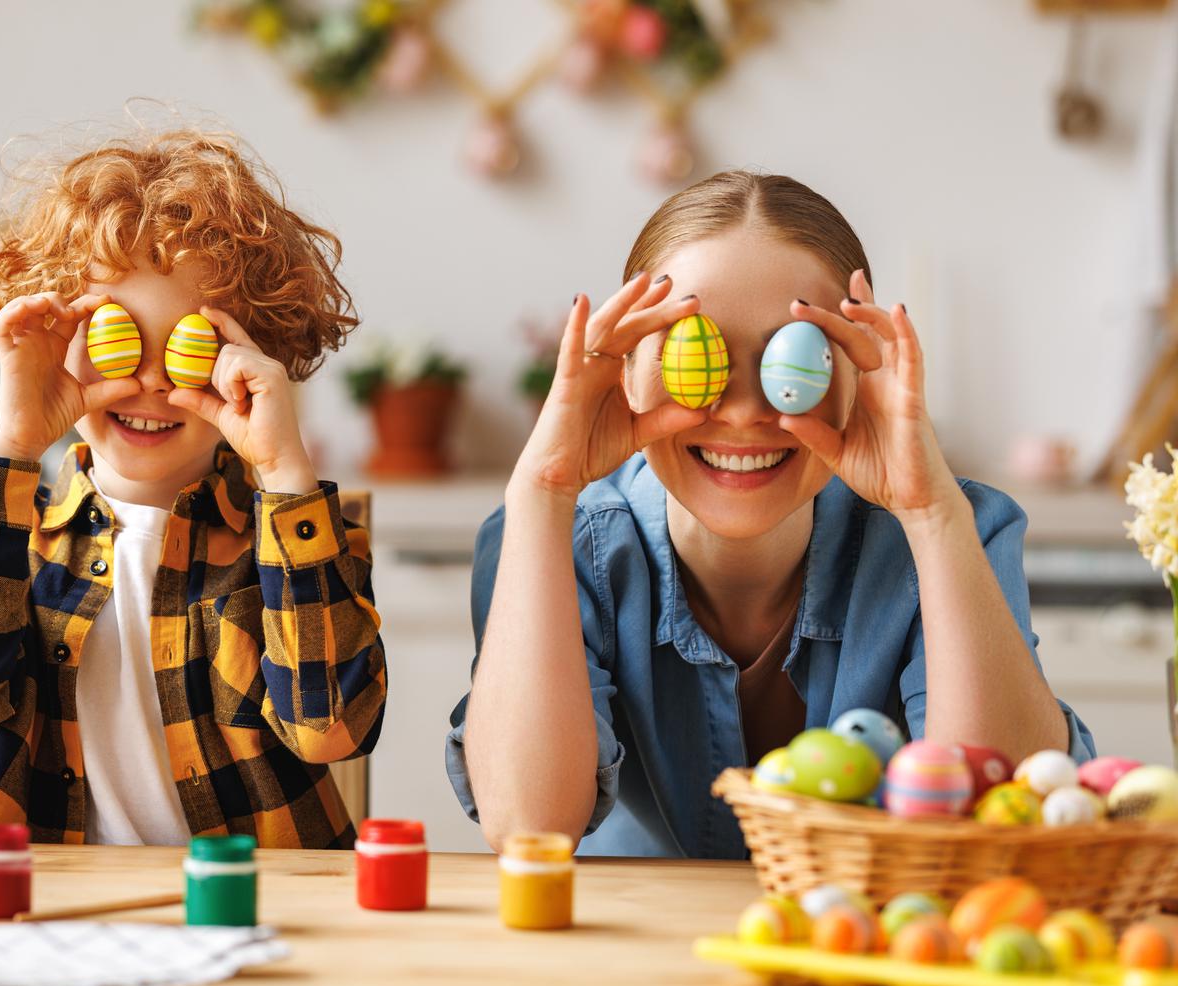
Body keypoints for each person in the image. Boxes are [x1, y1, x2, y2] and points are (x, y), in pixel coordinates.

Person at [447, 171, 1093, 859]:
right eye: (699, 352)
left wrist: (933, 517)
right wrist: (543, 489)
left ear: (857, 377)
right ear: (627, 373)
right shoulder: (556, 540)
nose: (747, 412)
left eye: (796, 356)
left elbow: (1006, 823)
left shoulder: (956, 531)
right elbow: (527, 826)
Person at [0, 128, 385, 848]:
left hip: (258, 898)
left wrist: (284, 477)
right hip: (50, 903)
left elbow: (333, 731)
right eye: (116, 337)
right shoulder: (14, 533)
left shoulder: (294, 536)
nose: (151, 380)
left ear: (256, 355)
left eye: (192, 347)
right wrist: (15, 445)